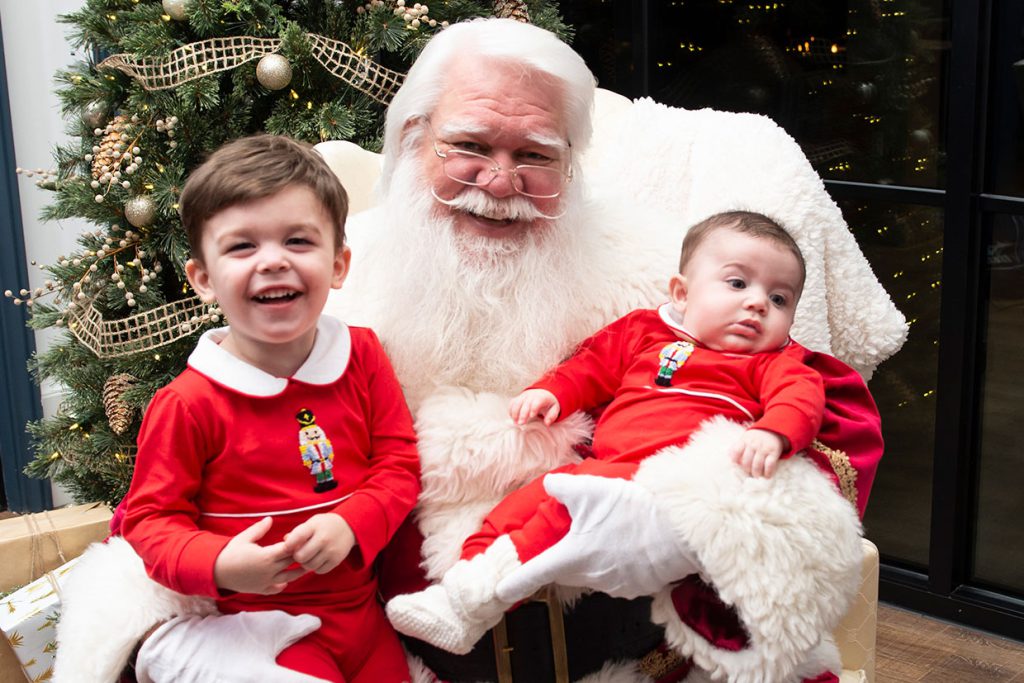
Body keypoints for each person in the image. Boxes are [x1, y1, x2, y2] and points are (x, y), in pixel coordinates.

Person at [55, 18, 904, 683]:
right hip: (396, 632)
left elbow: (806, 399)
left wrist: (722, 499)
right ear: (415, 138)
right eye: (469, 146)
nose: (499, 182)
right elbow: (224, 460)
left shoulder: (656, 269)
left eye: (534, 155)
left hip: (621, 632)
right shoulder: (336, 280)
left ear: (572, 165)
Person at [384, 210, 827, 654]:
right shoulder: (645, 331)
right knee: (524, 506)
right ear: (682, 293)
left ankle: (473, 598)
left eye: (780, 299)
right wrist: (552, 393)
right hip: (604, 468)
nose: (758, 303)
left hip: (674, 485)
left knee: (562, 517)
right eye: (737, 283)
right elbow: (592, 365)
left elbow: (800, 400)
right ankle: (463, 588)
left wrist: (773, 433)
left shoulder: (773, 362)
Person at [118, 134, 420, 683]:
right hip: (258, 625)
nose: (273, 262)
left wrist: (353, 522)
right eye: (242, 247)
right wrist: (220, 564)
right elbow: (149, 520)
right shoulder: (188, 404)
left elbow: (399, 465)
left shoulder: (363, 357)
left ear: (338, 264)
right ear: (203, 279)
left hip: (361, 618)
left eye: (298, 241)